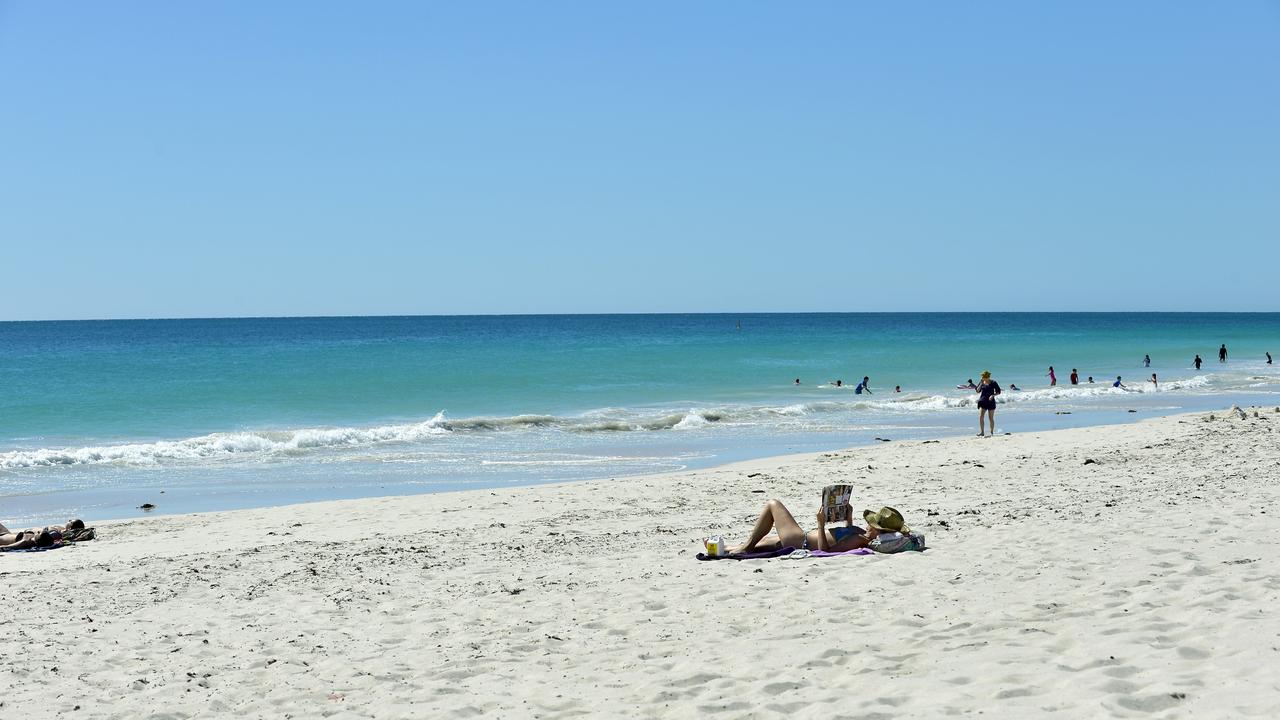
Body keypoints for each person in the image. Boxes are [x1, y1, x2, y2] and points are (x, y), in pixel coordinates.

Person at [729, 499, 868, 554]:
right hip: (800, 538)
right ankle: (724, 548)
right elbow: (844, 538)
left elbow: (825, 550)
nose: (868, 524)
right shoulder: (861, 533)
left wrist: (820, 524)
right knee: (762, 543)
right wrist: (849, 519)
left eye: (872, 524)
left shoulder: (859, 539)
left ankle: (746, 547)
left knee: (773, 504)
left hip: (800, 541)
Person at [1, 519, 85, 551]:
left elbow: (9, 547)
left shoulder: (26, 541)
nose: (38, 532)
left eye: (39, 533)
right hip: (9, 535)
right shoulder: (30, 539)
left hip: (5, 537)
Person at [975, 370, 1001, 437]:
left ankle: (991, 432)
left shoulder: (993, 382)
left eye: (983, 377)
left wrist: (993, 395)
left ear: (987, 377)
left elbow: (999, 391)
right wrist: (981, 383)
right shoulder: (982, 382)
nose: (982, 378)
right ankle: (982, 432)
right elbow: (977, 391)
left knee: (990, 418)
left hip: (991, 401)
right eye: (982, 377)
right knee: (981, 417)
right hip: (982, 401)